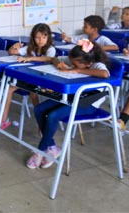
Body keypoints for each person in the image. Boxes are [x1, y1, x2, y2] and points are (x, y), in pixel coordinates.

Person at [26, 40, 110, 169]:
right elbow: (54, 58)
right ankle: (52, 147)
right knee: (39, 109)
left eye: (76, 64)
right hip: (70, 97)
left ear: (89, 63)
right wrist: (59, 64)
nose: (72, 64)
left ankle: (40, 150)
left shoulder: (97, 65)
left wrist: (77, 71)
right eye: (72, 62)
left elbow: (105, 74)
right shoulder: (76, 58)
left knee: (53, 115)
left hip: (88, 103)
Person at [0, 23, 56, 129]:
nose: (40, 40)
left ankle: (41, 125)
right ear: (33, 38)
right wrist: (14, 47)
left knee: (33, 94)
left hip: (43, 80)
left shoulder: (50, 49)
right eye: (37, 37)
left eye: (44, 37)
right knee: (9, 89)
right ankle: (3, 120)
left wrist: (30, 58)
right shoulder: (30, 48)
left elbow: (48, 59)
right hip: (29, 78)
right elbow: (11, 52)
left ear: (48, 37)